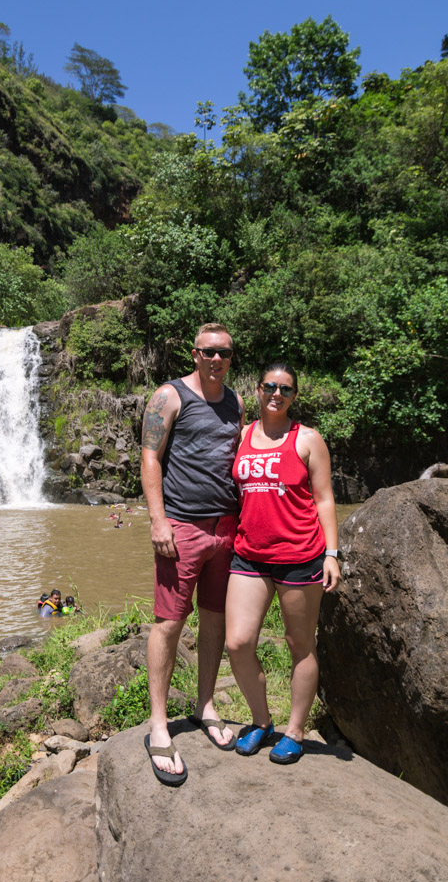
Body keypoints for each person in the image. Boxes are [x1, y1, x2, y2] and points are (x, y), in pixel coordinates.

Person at [141, 323, 244, 785]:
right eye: (209, 352)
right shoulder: (170, 396)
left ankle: (205, 704)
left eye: (225, 352)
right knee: (168, 623)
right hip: (181, 527)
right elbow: (150, 457)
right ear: (195, 354)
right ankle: (158, 725)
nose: (217, 359)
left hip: (226, 529)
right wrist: (158, 520)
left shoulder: (236, 402)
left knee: (215, 619)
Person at [225, 361, 340, 765]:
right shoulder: (240, 436)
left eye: (286, 389)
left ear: (294, 396)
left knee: (299, 644)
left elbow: (324, 499)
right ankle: (261, 721)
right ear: (258, 389)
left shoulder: (307, 439)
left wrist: (332, 554)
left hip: (300, 555)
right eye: (270, 387)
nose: (277, 394)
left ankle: (294, 731)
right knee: (238, 643)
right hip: (249, 554)